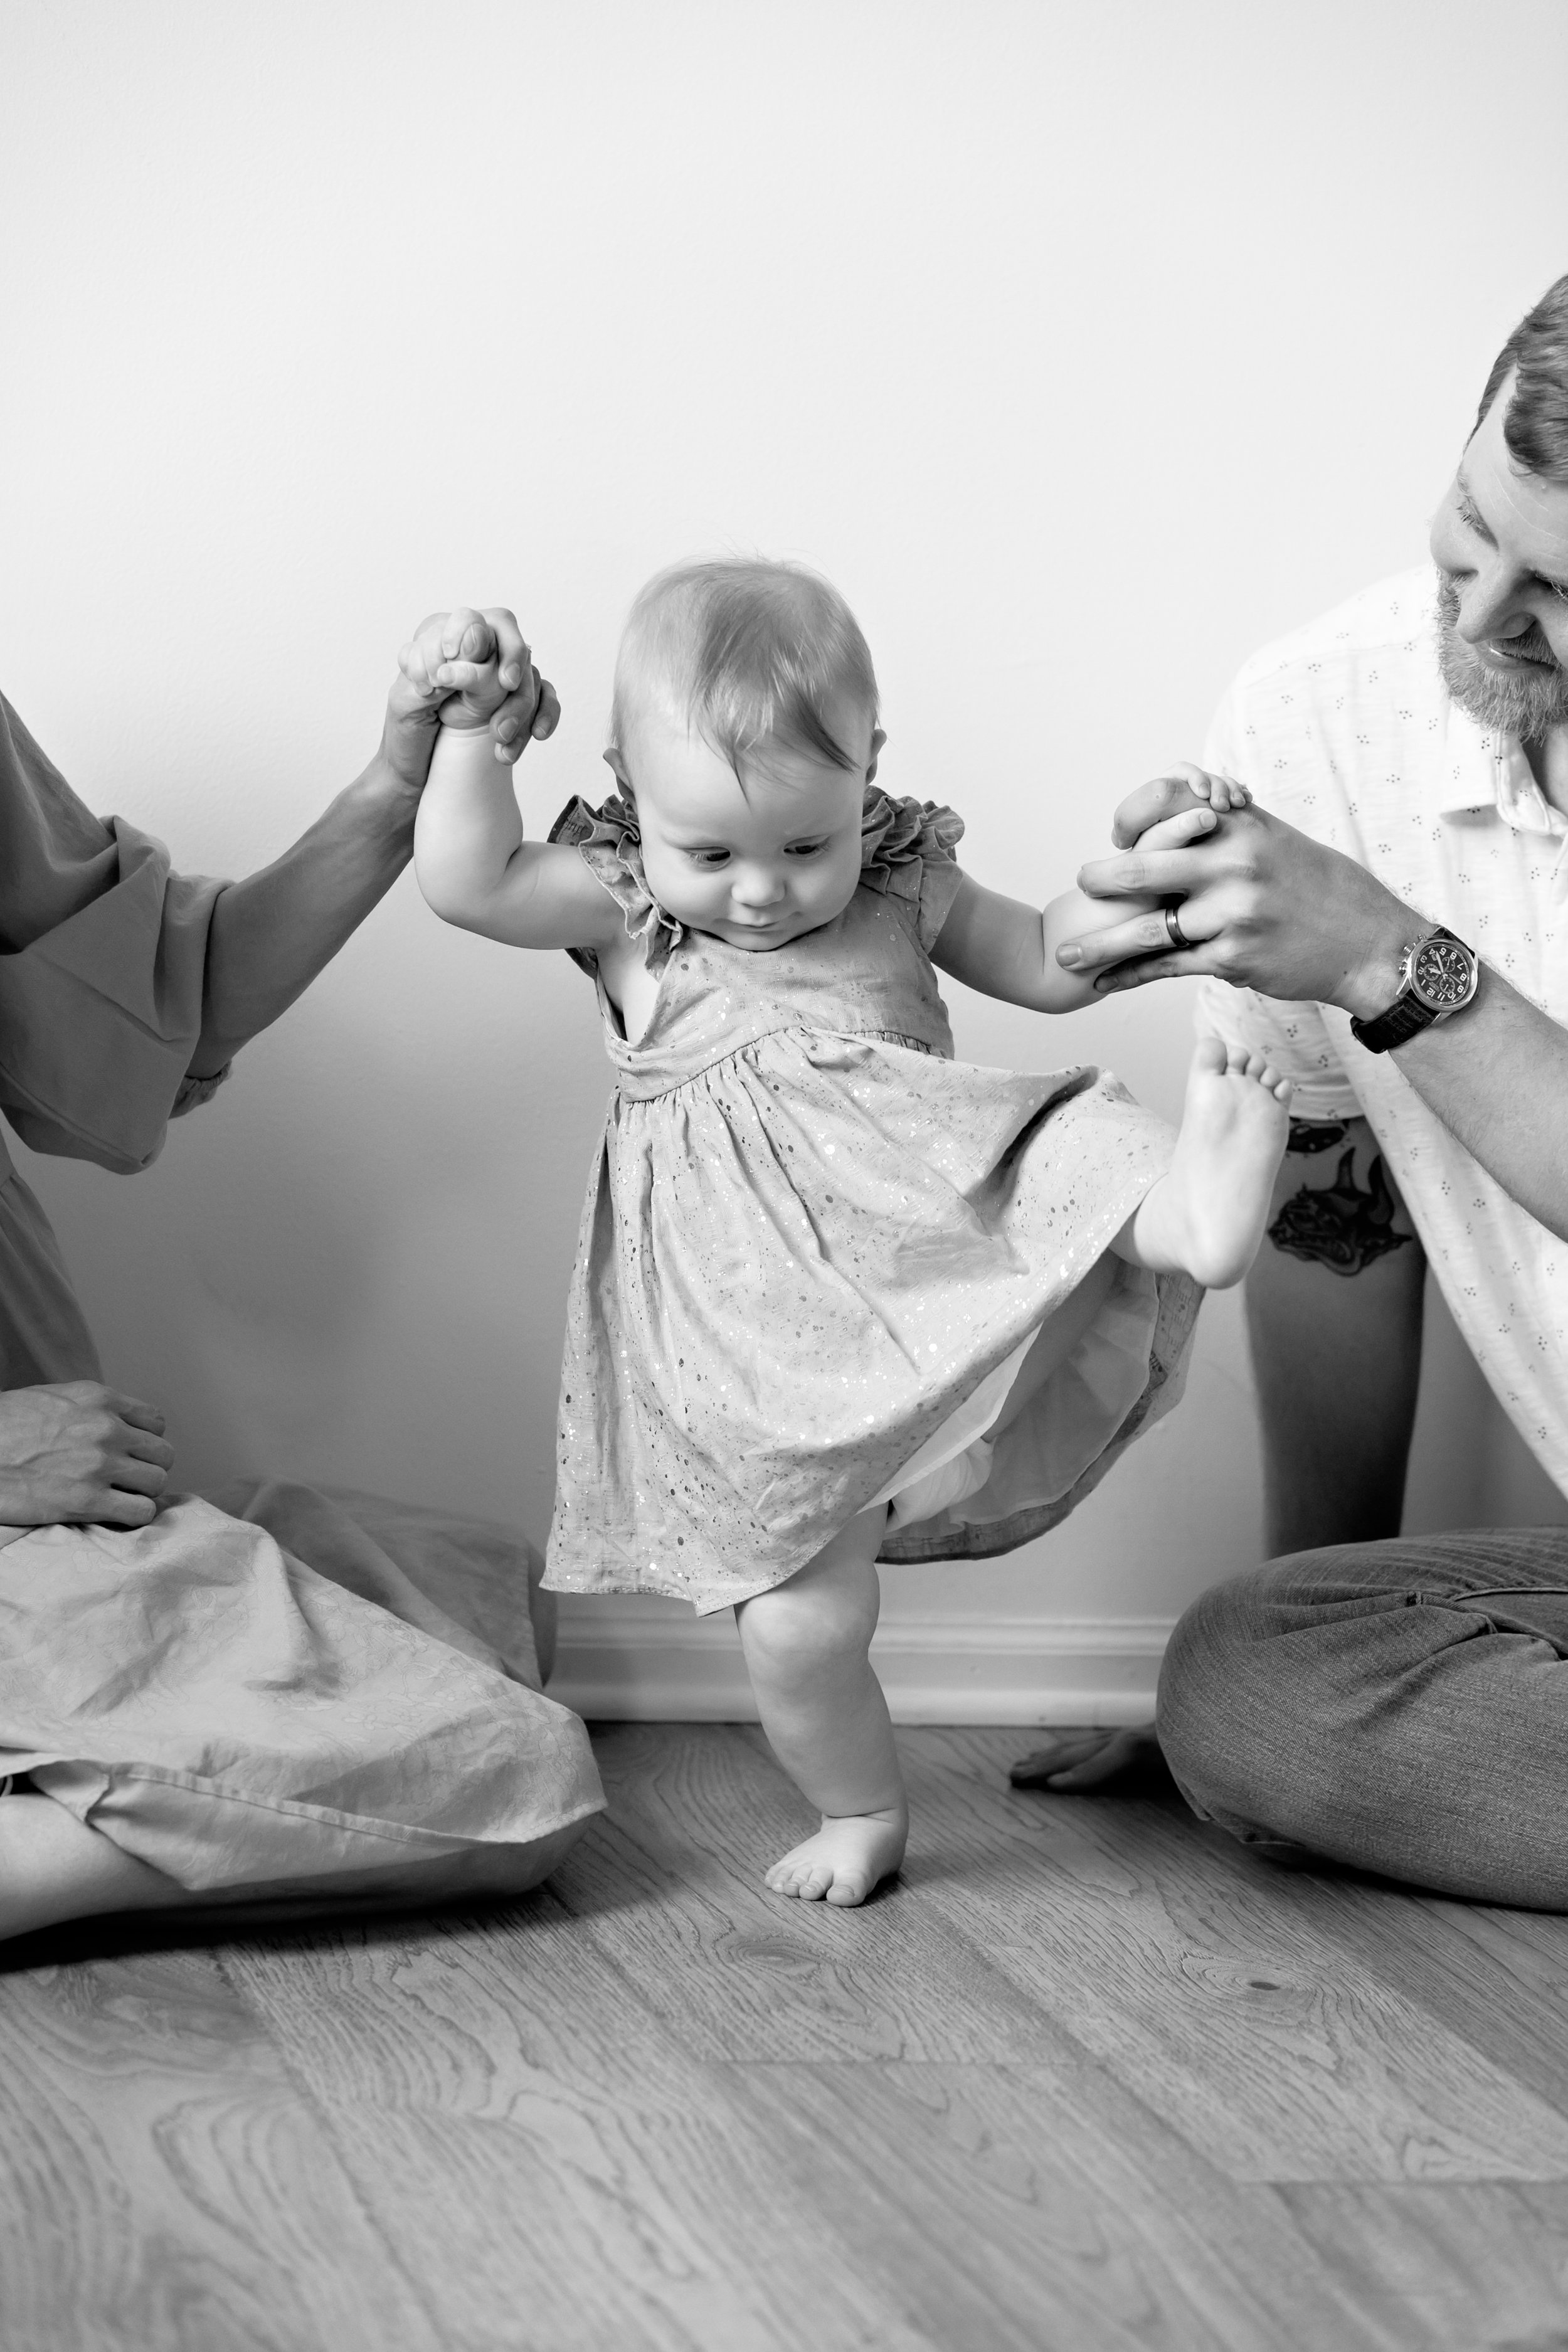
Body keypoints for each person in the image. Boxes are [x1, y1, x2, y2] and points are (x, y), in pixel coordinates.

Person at [408, 557, 1294, 1907]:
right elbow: (466, 884)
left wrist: (1156, 856)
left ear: (869, 775)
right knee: (794, 1626)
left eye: (802, 846)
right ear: (628, 797)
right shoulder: (620, 906)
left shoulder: (898, 879)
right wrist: (472, 737)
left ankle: (1189, 1211)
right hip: (759, 1348)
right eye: (708, 853)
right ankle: (860, 1808)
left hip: (924, 1234)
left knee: (1063, 1142)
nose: (759, 893)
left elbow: (1050, 963)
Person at [1014, 272, 1568, 1909]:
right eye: (1470, 525)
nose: (1474, 619)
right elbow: (1344, 1208)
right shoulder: (1325, 716)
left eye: (1557, 587)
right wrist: (1306, 1675)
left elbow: (1389, 973)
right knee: (1247, 1665)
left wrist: (1392, 955)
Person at [0, 620, 604, 1943]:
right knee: (498, 1768)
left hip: (66, 1514)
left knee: (478, 1586)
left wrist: (400, 789)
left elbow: (169, 1002)